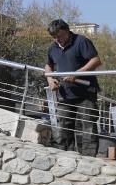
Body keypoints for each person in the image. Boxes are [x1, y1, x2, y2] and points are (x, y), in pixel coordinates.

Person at [44, 19, 102, 156]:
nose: (57, 39)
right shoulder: (53, 47)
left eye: (59, 36)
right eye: (54, 37)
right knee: (63, 126)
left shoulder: (81, 42)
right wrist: (50, 79)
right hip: (65, 94)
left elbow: (96, 60)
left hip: (86, 93)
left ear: (67, 31)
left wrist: (77, 74)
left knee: (87, 127)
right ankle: (65, 157)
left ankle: (89, 161)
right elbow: (48, 65)